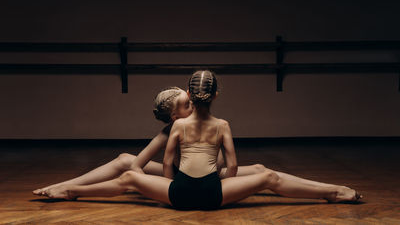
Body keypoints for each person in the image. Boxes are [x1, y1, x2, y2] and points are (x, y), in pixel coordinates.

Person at [34, 70, 361, 208]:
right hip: (189, 181)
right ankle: (70, 187)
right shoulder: (172, 130)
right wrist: (159, 186)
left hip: (207, 178)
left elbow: (225, 164)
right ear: (176, 115)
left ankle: (330, 190)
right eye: (187, 104)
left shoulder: (207, 124)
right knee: (125, 164)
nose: (193, 104)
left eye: (191, 99)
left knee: (262, 168)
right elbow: (134, 168)